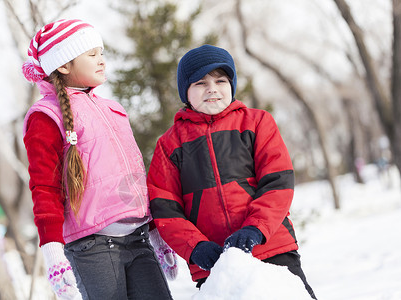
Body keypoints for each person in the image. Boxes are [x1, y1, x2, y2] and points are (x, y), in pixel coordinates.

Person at [22, 19, 176, 300]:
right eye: (91, 54)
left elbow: (136, 179)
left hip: (139, 238)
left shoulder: (113, 109)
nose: (102, 61)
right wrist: (53, 254)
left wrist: (156, 234)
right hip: (93, 247)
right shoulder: (46, 116)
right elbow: (44, 188)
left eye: (102, 53)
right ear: (64, 65)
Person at [147, 44, 316, 299]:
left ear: (232, 85)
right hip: (215, 264)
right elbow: (164, 208)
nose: (212, 88)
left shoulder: (257, 123)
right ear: (186, 92)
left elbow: (277, 182)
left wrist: (255, 228)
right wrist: (195, 247)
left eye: (220, 80)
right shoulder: (169, 145)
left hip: (270, 247)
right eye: (201, 83)